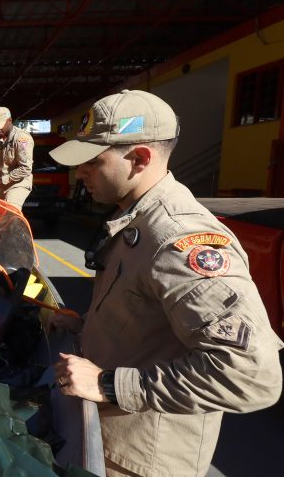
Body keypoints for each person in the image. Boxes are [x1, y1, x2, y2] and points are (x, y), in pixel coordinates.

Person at [48, 89, 283, 476]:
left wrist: (108, 385)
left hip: (142, 460)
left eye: (92, 161)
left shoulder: (178, 239)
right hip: (107, 438)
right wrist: (89, 324)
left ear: (139, 158)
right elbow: (147, 312)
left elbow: (251, 374)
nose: (80, 173)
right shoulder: (135, 218)